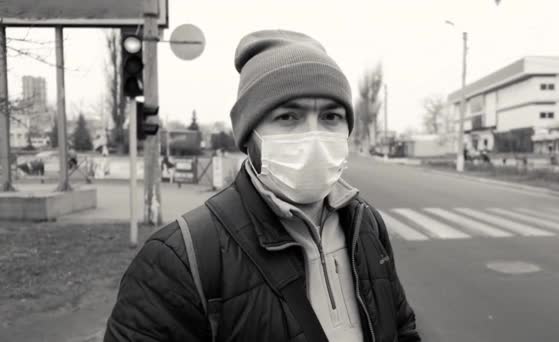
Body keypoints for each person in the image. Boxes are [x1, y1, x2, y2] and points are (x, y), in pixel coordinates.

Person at [103, 30, 420, 342]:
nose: (313, 137)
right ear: (249, 134)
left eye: (331, 116)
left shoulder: (365, 225)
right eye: (288, 116)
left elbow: (401, 328)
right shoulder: (179, 260)